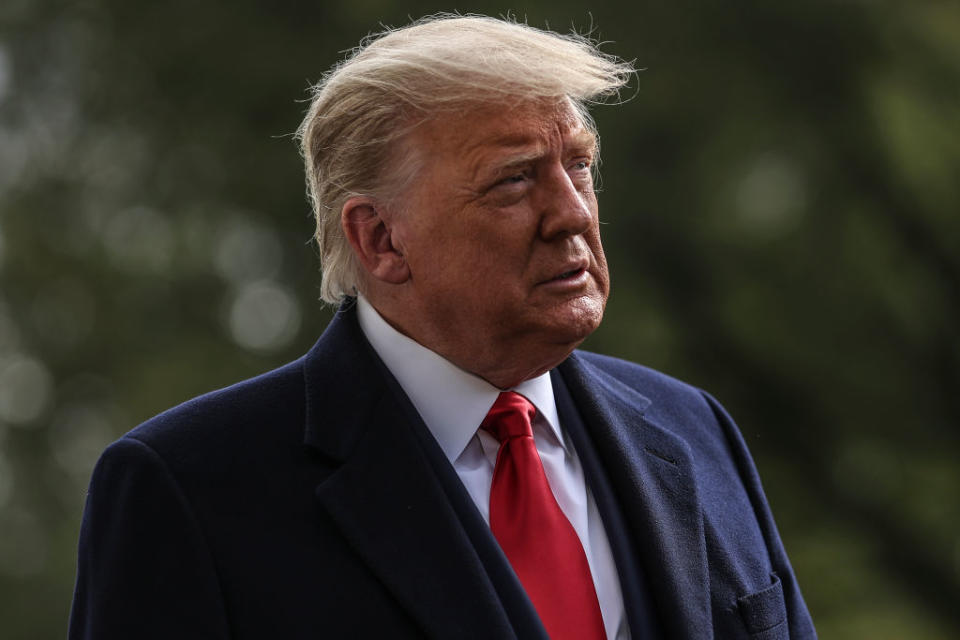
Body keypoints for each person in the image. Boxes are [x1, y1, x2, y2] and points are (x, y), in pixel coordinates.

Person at [69, 15, 816, 640]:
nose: (574, 213)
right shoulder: (189, 490)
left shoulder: (695, 430)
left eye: (579, 165)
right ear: (381, 241)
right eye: (515, 178)